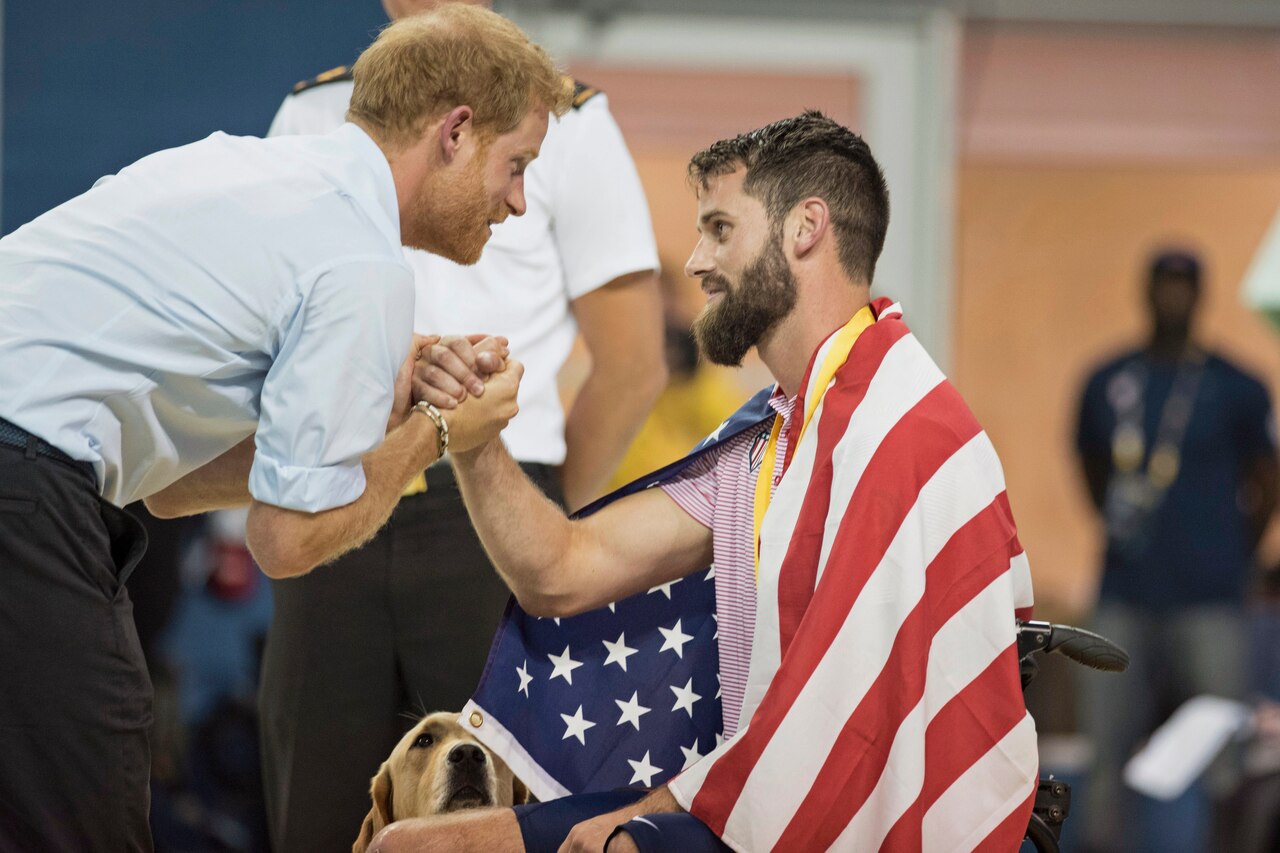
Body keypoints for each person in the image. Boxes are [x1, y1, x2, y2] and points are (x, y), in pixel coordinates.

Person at [370, 111, 1038, 853]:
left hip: (842, 809)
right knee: (412, 845)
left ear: (805, 227)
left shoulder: (903, 432)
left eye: (720, 229)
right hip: (749, 786)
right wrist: (473, 434)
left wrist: (637, 816)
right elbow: (557, 571)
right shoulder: (772, 438)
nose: (694, 261)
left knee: (618, 848)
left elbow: (840, 722)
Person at [0, 7, 570, 850]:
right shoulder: (359, 261)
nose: (519, 201)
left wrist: (381, 397)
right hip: (26, 493)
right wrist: (441, 435)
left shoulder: (245, 169)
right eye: (515, 164)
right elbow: (285, 539)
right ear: (455, 132)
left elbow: (166, 485)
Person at [254, 3, 663, 850]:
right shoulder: (316, 114)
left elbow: (631, 364)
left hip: (494, 511)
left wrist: (544, 533)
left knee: (501, 817)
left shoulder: (571, 125)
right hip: (335, 503)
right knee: (318, 810)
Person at [1073, 249, 1280, 853]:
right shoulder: (1108, 379)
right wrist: (1117, 523)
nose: (1173, 298)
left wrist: (1238, 550)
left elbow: (1267, 478)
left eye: (1183, 286)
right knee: (1107, 752)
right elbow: (1088, 462)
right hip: (1123, 592)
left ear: (1200, 294)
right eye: (1163, 285)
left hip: (1211, 597)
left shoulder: (1236, 386)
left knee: (1224, 759)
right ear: (1145, 291)